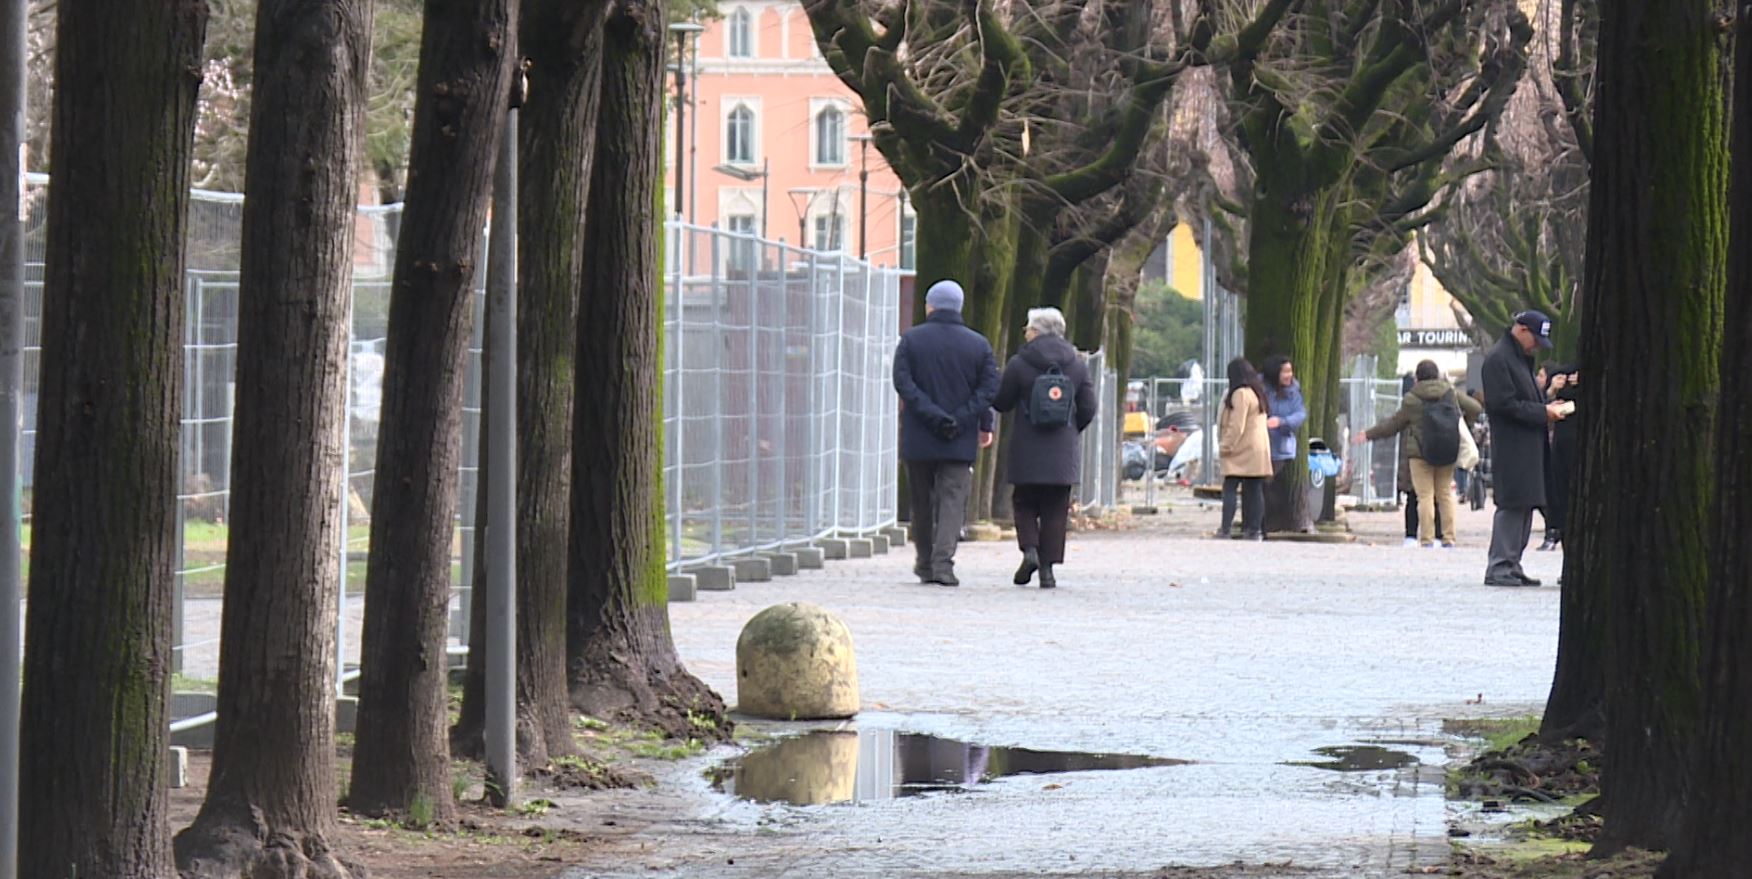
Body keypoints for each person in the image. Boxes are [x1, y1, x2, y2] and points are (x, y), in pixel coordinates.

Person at [893, 279, 999, 586]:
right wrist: (966, 419)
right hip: (960, 435)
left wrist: (932, 414)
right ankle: (944, 563)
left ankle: (925, 561)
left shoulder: (911, 341)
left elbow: (903, 383)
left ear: (930, 306)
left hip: (920, 433)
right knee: (953, 499)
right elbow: (988, 388)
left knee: (922, 500)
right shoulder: (978, 344)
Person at [992, 307, 1097, 589]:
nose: (1025, 333)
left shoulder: (1019, 363)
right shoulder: (1076, 364)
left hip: (1027, 447)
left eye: (1027, 328)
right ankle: (1048, 570)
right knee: (1055, 507)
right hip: (1063, 450)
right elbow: (1089, 406)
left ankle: (1029, 551)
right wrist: (1072, 429)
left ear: (1036, 332)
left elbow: (1002, 401)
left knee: (1024, 502)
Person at [1353, 360, 1482, 547]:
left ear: (1417, 378)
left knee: (1425, 496)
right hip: (1447, 449)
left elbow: (1393, 425)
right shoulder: (1450, 393)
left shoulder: (1412, 399)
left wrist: (1368, 434)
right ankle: (1448, 538)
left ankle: (1427, 539)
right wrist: (1462, 423)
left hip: (1420, 453)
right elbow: (1475, 408)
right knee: (1445, 494)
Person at [1481, 310, 1566, 587]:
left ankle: (1513, 563)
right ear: (1521, 329)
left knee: (1526, 502)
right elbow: (1504, 404)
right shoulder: (1499, 360)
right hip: (1512, 446)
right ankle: (1500, 564)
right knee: (1512, 503)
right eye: (1535, 340)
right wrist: (1544, 413)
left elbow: (1526, 397)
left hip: (1528, 445)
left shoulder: (1519, 360)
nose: (1536, 347)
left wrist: (1546, 401)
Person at [1216, 357, 1272, 540]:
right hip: (1258, 448)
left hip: (1241, 448)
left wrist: (1226, 446)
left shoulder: (1240, 394)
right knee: (1255, 488)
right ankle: (1255, 530)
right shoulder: (1257, 392)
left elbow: (1236, 424)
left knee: (1230, 487)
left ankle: (1225, 529)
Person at [1258, 355, 1307, 530]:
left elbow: (1300, 414)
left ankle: (1266, 524)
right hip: (1261, 444)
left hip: (1280, 446)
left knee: (1267, 484)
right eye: (1284, 371)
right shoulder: (1261, 388)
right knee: (1261, 486)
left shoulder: (1293, 391)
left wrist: (1282, 422)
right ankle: (1261, 524)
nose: (1289, 375)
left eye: (1290, 371)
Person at [1539, 365, 1580, 550]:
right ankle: (1556, 532)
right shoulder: (1557, 390)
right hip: (1560, 448)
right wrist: (1551, 391)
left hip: (1575, 446)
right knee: (1559, 497)